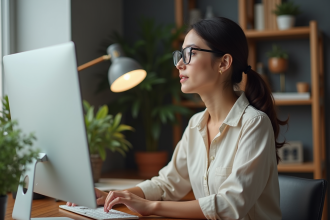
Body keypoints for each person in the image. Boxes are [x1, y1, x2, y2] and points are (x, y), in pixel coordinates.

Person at [67, 17, 288, 220]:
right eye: (180, 55)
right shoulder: (195, 125)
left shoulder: (254, 124)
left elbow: (231, 204)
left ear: (223, 63)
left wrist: (150, 206)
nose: (179, 64)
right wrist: (112, 196)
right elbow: (167, 185)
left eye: (190, 53)